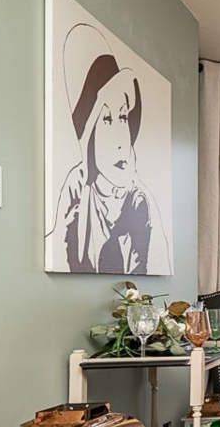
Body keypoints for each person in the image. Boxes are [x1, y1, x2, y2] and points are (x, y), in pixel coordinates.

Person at [47, 23, 169, 274]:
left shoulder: (140, 203)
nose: (121, 140)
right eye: (106, 120)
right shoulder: (76, 195)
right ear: (88, 133)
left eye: (123, 118)